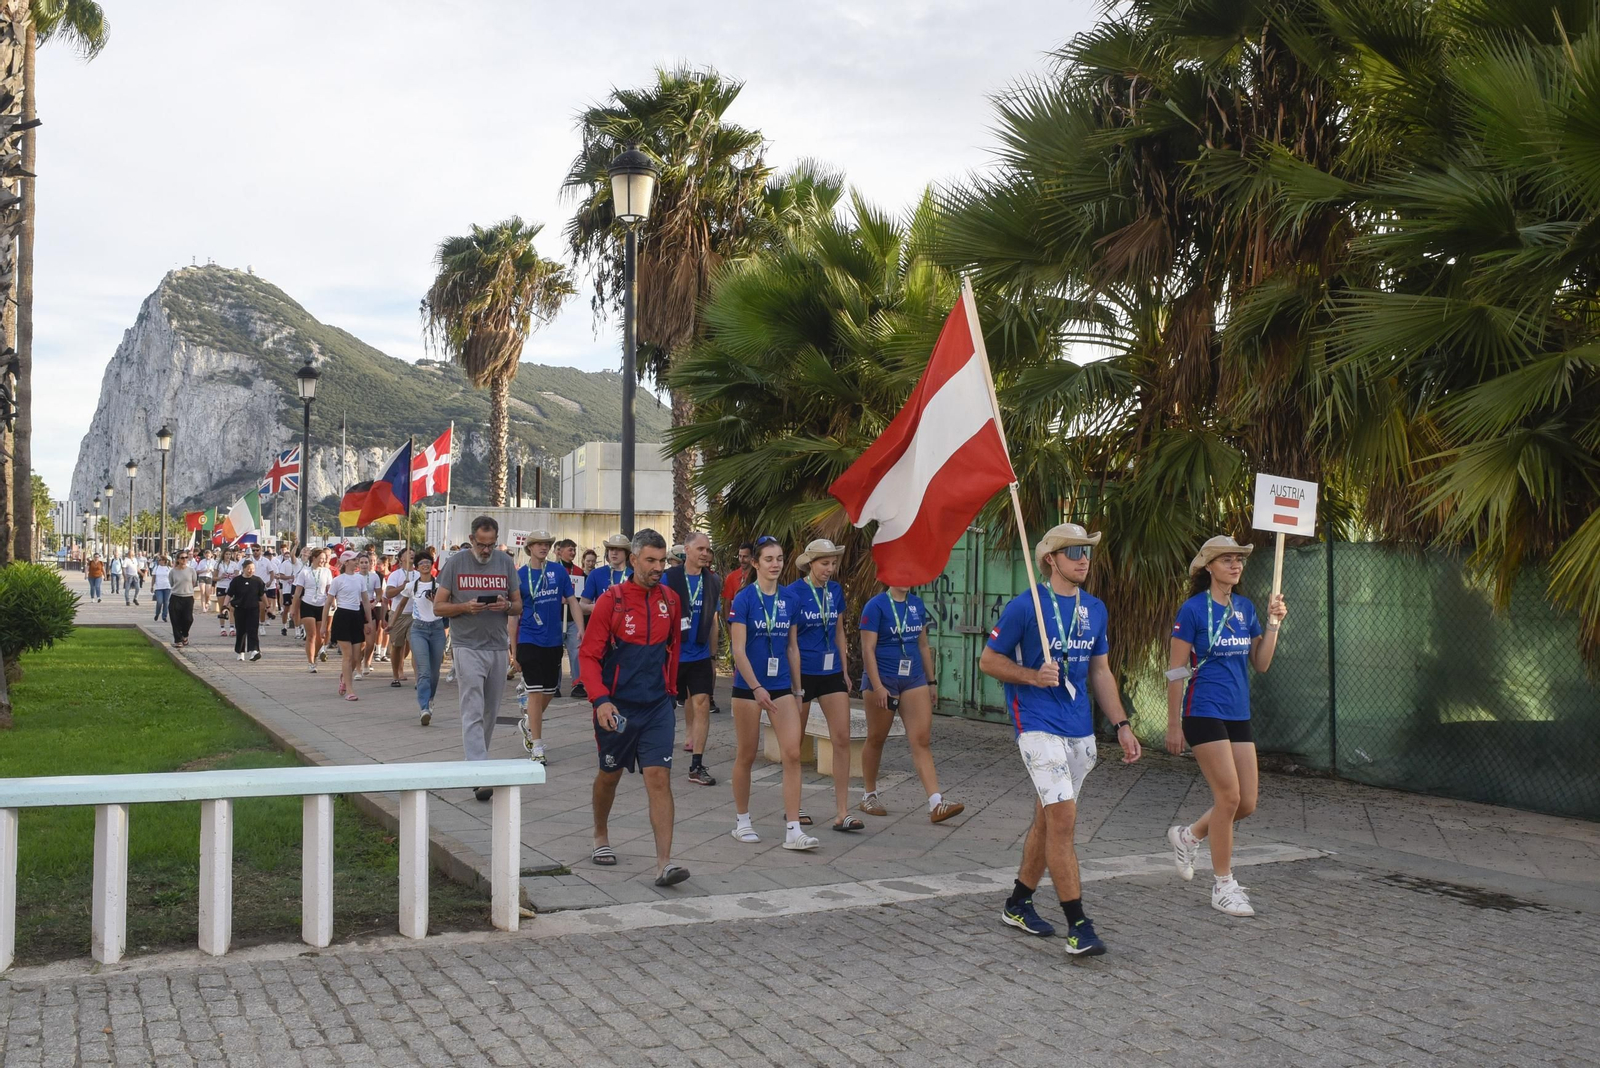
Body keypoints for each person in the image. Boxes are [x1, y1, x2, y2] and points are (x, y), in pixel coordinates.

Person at [979, 522, 1142, 957]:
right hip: (1035, 724)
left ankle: (1017, 903)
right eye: (1073, 551)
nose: (1083, 558)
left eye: (1087, 550)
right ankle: (1079, 925)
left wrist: (1121, 724)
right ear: (1051, 559)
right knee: (1064, 821)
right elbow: (988, 660)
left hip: (1079, 727)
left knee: (1048, 820)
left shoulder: (1096, 609)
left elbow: (1100, 671)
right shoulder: (1025, 606)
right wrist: (1032, 676)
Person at [1165, 535, 1288, 918]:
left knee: (1246, 802)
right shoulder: (1192, 610)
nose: (1235, 566)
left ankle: (1190, 834)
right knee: (1229, 797)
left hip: (1238, 712)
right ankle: (1223, 885)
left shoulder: (1246, 607)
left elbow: (1262, 663)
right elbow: (1175, 671)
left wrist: (1273, 623)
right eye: (1227, 560)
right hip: (1203, 711)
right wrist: (1173, 725)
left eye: (1239, 560)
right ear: (1208, 567)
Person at [580, 529, 690, 886]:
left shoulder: (671, 600)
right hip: (617, 707)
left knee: (658, 777)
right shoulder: (611, 601)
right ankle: (600, 834)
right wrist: (600, 700)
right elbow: (589, 655)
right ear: (634, 559)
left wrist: (672, 692)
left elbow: (674, 650)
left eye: (663, 561)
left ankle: (665, 863)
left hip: (657, 705)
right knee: (608, 776)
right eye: (651, 561)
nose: (659, 567)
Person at [728, 536, 816, 850]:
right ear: (755, 562)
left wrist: (797, 688)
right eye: (768, 559)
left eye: (779, 558)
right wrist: (756, 687)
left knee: (793, 753)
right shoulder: (744, 599)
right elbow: (738, 651)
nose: (775, 564)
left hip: (781, 687)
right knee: (747, 755)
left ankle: (793, 829)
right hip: (748, 688)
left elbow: (792, 647)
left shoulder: (789, 599)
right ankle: (742, 821)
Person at [857, 580, 963, 825]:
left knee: (921, 739)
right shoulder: (875, 606)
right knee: (876, 738)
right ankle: (869, 795)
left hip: (913, 678)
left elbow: (922, 645)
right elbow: (867, 650)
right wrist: (878, 686)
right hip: (883, 679)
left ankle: (936, 802)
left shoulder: (916, 604)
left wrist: (931, 681)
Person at [434, 516, 521, 796]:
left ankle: (476, 759)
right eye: (482, 544)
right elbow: (438, 607)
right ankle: (479, 770)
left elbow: (518, 605)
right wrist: (464, 608)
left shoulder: (505, 562)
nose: (486, 550)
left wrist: (507, 604)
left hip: (497, 645)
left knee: (490, 711)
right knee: (472, 706)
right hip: (466, 644)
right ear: (472, 539)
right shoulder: (456, 563)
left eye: (491, 545)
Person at [787, 538, 858, 829]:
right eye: (824, 563)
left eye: (833, 563)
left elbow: (840, 631)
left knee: (841, 738)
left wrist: (844, 669)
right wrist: (791, 680)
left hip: (831, 674)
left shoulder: (836, 591)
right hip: (803, 674)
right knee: (795, 742)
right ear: (810, 564)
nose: (830, 569)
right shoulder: (793, 593)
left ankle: (843, 812)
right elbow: (789, 640)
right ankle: (794, 807)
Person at [512, 531, 582, 764]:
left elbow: (572, 600)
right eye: (538, 544)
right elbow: (513, 616)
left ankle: (528, 723)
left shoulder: (558, 571)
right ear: (529, 548)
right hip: (529, 638)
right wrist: (513, 651)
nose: (543, 547)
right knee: (535, 691)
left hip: (554, 640)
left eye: (546, 544)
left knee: (551, 690)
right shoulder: (520, 575)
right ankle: (538, 747)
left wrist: (581, 629)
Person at [663, 531, 721, 786]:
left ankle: (697, 765)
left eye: (707, 550)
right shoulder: (670, 577)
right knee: (661, 706)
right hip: (672, 654)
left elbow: (714, 621)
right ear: (686, 550)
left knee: (701, 703)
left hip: (698, 654)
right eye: (700, 549)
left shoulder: (713, 581)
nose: (705, 554)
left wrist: (713, 654)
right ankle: (653, 754)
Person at [394, 553, 444, 726]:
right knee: (423, 670)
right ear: (416, 567)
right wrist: (391, 624)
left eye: (427, 562)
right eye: (421, 563)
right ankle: (424, 707)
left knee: (435, 671)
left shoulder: (439, 585)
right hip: (419, 629)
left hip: (437, 629)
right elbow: (401, 604)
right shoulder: (411, 586)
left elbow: (447, 606)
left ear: (432, 565)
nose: (424, 565)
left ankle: (430, 698)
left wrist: (437, 601)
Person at [327, 551, 372, 699]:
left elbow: (365, 601)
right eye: (354, 559)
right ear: (346, 562)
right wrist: (323, 627)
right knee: (348, 655)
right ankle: (350, 690)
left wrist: (369, 622)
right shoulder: (338, 580)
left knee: (356, 656)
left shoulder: (360, 579)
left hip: (356, 616)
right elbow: (328, 603)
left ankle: (344, 678)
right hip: (342, 616)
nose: (357, 561)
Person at [293, 548, 333, 672]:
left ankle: (315, 655)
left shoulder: (327, 572)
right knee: (311, 635)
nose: (322, 561)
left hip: (322, 605)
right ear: (313, 558)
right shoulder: (304, 572)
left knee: (321, 636)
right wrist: (294, 609)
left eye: (324, 559)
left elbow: (330, 590)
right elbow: (298, 592)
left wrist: (333, 602)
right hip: (307, 604)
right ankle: (310, 662)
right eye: (320, 558)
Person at [555, 538, 586, 698]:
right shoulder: (554, 570)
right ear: (560, 551)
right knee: (555, 652)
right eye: (569, 550)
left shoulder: (579, 572)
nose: (572, 553)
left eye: (574, 550)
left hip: (572, 618)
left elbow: (582, 596)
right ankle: (554, 684)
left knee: (576, 652)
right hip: (557, 618)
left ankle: (578, 683)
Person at [223, 558, 266, 661]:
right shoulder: (236, 581)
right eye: (248, 568)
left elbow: (262, 595)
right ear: (243, 569)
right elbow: (229, 594)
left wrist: (268, 606)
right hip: (240, 609)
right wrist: (224, 606)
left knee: (252, 630)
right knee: (241, 631)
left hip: (253, 609)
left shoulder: (258, 581)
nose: (250, 570)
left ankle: (254, 651)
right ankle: (240, 651)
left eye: (252, 569)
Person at [385, 548, 416, 686]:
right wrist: (402, 587)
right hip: (398, 615)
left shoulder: (419, 574)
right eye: (408, 553)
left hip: (415, 615)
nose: (412, 555)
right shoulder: (395, 575)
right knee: (397, 646)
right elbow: (389, 593)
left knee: (415, 646)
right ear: (401, 558)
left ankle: (418, 678)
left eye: (413, 554)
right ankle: (395, 675)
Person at [580, 534, 633, 609]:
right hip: (602, 620)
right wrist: (601, 607)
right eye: (611, 549)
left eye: (619, 549)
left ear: (626, 553)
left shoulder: (634, 576)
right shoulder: (596, 574)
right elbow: (582, 605)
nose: (614, 552)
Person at [168, 551, 197, 647]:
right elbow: (172, 583)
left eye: (186, 557)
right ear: (178, 559)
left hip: (188, 597)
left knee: (188, 619)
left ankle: (185, 634)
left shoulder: (191, 570)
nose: (184, 559)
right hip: (176, 596)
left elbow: (194, 582)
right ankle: (178, 640)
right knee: (175, 619)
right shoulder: (173, 571)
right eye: (182, 558)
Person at [274, 546, 299, 637]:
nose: (289, 557)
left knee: (296, 610)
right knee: (287, 609)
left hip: (296, 590)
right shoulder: (285, 564)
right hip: (287, 590)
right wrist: (290, 577)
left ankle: (297, 629)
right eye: (287, 555)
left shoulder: (298, 563)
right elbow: (281, 576)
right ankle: (284, 626)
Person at [216, 548, 241, 634]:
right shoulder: (218, 564)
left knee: (232, 608)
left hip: (231, 587)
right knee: (222, 607)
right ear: (223, 555)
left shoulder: (234, 564)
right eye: (226, 554)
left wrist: (234, 576)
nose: (228, 556)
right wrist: (221, 577)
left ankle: (232, 628)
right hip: (221, 586)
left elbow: (238, 575)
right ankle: (222, 628)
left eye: (229, 554)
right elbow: (214, 578)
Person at [150, 555, 173, 623]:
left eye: (160, 560)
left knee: (166, 602)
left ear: (164, 561)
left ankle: (164, 616)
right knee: (159, 601)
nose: (159, 561)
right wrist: (152, 586)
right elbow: (153, 577)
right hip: (158, 587)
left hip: (167, 587)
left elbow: (172, 578)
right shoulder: (156, 568)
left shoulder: (169, 568)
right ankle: (157, 613)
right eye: (158, 560)